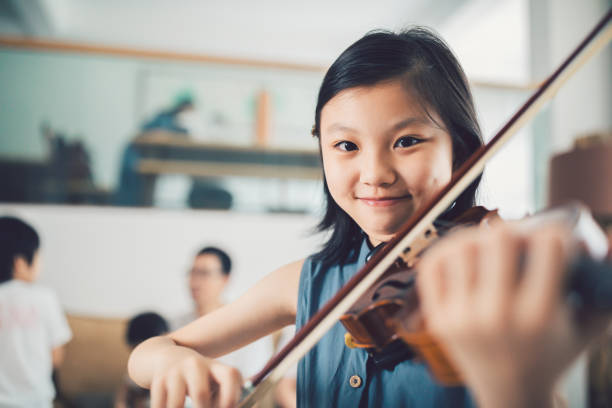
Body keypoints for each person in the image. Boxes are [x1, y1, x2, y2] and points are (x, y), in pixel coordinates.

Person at [127, 27, 611, 408]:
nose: (374, 173)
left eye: (406, 141)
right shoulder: (309, 282)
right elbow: (148, 353)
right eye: (346, 146)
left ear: (461, 152)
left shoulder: (490, 280)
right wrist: (172, 362)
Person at [0, 216, 72, 407]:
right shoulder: (44, 298)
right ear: (20, 263)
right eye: (39, 257)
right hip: (36, 399)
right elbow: (56, 356)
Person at [172, 247, 274, 380]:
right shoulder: (175, 324)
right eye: (192, 272)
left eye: (203, 273)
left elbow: (254, 382)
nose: (195, 281)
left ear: (225, 279)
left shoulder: (250, 326)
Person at [115, 312, 170, 408]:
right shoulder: (133, 375)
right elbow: (121, 399)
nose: (132, 357)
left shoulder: (170, 371)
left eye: (135, 350)